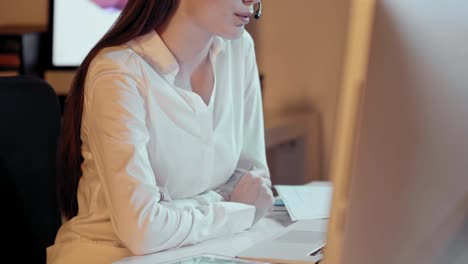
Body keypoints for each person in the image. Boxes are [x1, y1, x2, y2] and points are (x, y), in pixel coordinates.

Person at [47, 0, 274, 263]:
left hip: (200, 250)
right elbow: (143, 232)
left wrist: (169, 211)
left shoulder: (239, 49)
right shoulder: (118, 73)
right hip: (111, 256)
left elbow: (255, 182)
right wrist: (236, 208)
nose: (252, 1)